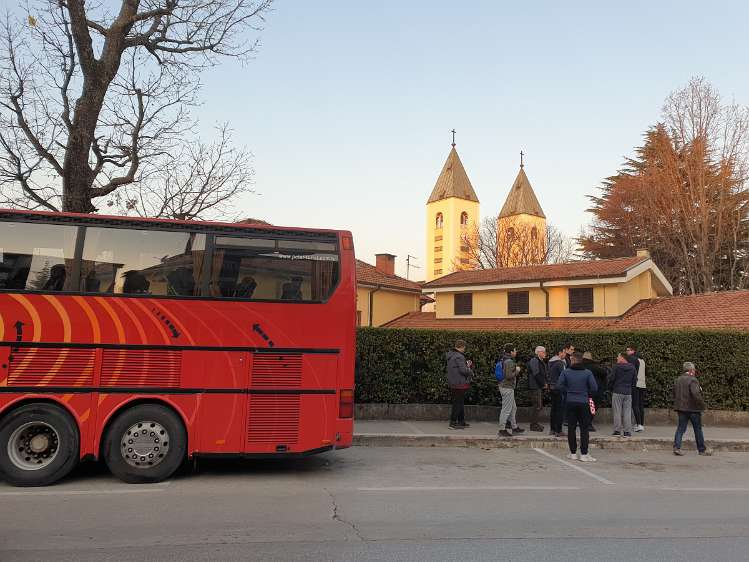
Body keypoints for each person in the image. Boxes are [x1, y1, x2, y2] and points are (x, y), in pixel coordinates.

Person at [557, 352, 598, 462]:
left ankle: (573, 453)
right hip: (583, 402)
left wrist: (568, 392)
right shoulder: (587, 373)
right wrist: (586, 393)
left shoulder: (566, 372)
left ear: (573, 360)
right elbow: (594, 388)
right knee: (584, 428)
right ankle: (584, 453)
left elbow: (559, 385)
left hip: (570, 401)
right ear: (581, 360)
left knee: (571, 427)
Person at [673, 362, 712, 456]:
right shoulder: (693, 380)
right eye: (694, 370)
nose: (694, 372)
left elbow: (674, 393)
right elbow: (696, 395)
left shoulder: (678, 379)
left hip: (681, 408)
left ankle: (677, 447)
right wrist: (702, 406)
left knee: (680, 428)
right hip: (693, 409)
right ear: (691, 370)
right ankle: (702, 450)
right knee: (697, 429)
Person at [498, 343, 525, 437]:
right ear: (511, 352)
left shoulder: (503, 359)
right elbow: (509, 376)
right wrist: (517, 370)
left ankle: (514, 427)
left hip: (505, 386)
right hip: (507, 387)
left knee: (513, 408)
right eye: (515, 350)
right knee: (506, 409)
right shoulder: (509, 361)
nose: (516, 351)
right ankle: (502, 429)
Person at [446, 339, 474, 430]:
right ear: (461, 347)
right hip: (459, 383)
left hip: (453, 383)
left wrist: (465, 365)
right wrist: (469, 369)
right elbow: (463, 370)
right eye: (464, 347)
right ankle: (453, 423)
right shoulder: (459, 356)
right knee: (458, 403)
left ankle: (461, 421)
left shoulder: (451, 355)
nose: (464, 349)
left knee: (460, 402)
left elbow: (457, 368)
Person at [580, 351, 608, 432]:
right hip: (593, 392)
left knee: (583, 407)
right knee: (592, 407)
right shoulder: (595, 367)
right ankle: (588, 424)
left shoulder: (580, 366)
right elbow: (604, 373)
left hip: (582, 391)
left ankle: (583, 422)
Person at [608, 353, 636, 437]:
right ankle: (627, 431)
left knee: (617, 411)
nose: (617, 358)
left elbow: (612, 378)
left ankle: (617, 431)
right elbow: (634, 380)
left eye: (618, 357)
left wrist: (611, 387)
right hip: (628, 392)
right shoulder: (632, 367)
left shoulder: (617, 367)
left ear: (622, 358)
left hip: (617, 391)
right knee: (627, 412)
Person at [626, 345, 647, 432]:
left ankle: (638, 424)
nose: (627, 352)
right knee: (640, 405)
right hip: (642, 384)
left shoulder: (632, 359)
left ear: (633, 351)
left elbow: (631, 372)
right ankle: (641, 424)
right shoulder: (642, 360)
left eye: (628, 350)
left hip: (635, 384)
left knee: (635, 405)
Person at [547, 347, 567, 437]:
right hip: (559, 388)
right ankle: (559, 430)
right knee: (559, 410)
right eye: (564, 352)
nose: (565, 355)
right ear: (559, 353)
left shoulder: (550, 362)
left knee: (554, 409)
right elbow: (564, 375)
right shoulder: (560, 363)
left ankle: (552, 429)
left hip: (552, 387)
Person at [527, 346, 548, 432]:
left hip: (537, 386)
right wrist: (543, 383)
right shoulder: (535, 360)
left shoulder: (539, 361)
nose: (545, 354)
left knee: (538, 406)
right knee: (537, 406)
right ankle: (533, 425)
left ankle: (535, 423)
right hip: (535, 386)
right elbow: (536, 374)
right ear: (538, 352)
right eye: (543, 352)